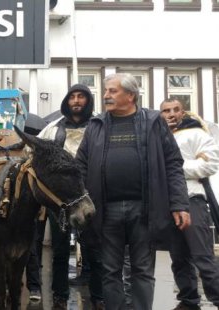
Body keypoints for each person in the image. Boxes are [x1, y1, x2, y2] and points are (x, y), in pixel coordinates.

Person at [76, 73, 191, 310]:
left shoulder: (152, 121)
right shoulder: (95, 125)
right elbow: (80, 167)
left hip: (145, 209)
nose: (105, 95)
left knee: (142, 271)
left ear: (130, 95)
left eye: (112, 91)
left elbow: (172, 163)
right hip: (105, 210)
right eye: (106, 91)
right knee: (109, 271)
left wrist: (179, 203)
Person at [27, 84, 104, 309]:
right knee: (60, 251)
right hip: (61, 201)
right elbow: (33, 150)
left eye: (81, 97)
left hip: (90, 195)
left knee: (94, 250)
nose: (77, 101)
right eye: (73, 97)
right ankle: (59, 297)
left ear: (88, 100)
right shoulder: (52, 128)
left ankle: (98, 297)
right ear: (67, 101)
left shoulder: (99, 126)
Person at [160, 98, 219, 310]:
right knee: (179, 258)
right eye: (166, 110)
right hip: (167, 204)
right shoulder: (158, 137)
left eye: (176, 110)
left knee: (203, 257)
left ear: (183, 113)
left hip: (192, 199)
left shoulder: (197, 134)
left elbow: (210, 164)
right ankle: (188, 300)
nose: (171, 114)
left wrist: (174, 170)